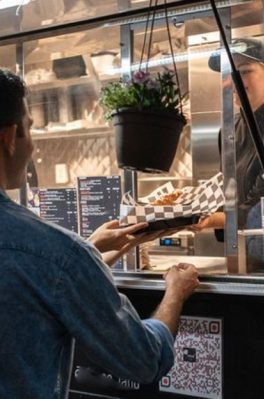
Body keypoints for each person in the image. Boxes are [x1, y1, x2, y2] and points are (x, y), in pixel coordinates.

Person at [0, 68, 200, 398]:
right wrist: (175, 292)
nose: (32, 147)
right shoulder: (58, 255)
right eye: (30, 128)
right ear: (9, 138)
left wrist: (88, 250)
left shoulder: (59, 257)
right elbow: (143, 359)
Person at [191, 37, 264, 272]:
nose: (233, 81)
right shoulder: (228, 130)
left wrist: (213, 219)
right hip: (240, 255)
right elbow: (225, 192)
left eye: (244, 72)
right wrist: (194, 210)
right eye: (228, 73)